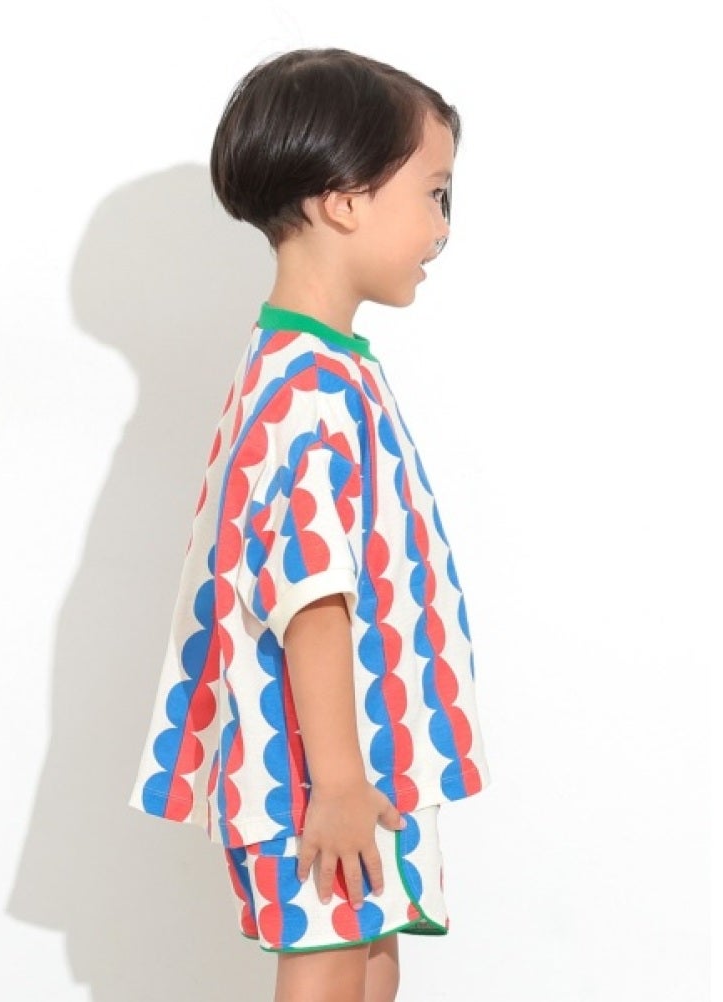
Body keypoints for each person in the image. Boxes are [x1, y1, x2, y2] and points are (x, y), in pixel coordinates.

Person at [130, 47, 490, 1002]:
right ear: (345, 200)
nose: (443, 228)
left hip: (358, 757)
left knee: (372, 963)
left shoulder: (321, 366)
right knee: (331, 966)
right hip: (319, 766)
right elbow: (310, 592)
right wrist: (334, 784)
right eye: (435, 194)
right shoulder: (309, 389)